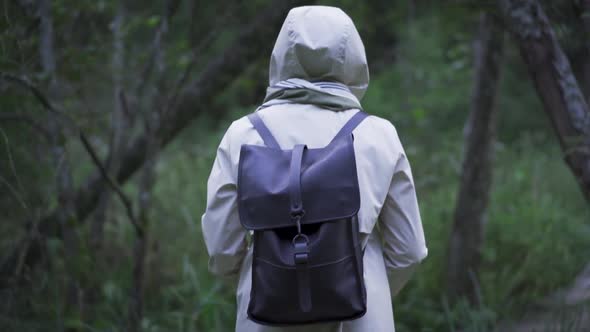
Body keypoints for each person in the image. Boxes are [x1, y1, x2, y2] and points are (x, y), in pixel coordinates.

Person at [201, 5, 427, 332]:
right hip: (362, 320)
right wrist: (360, 288)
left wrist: (272, 279)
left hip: (264, 318)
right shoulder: (379, 134)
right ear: (353, 58)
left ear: (281, 56)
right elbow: (409, 250)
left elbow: (222, 248)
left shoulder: (243, 134)